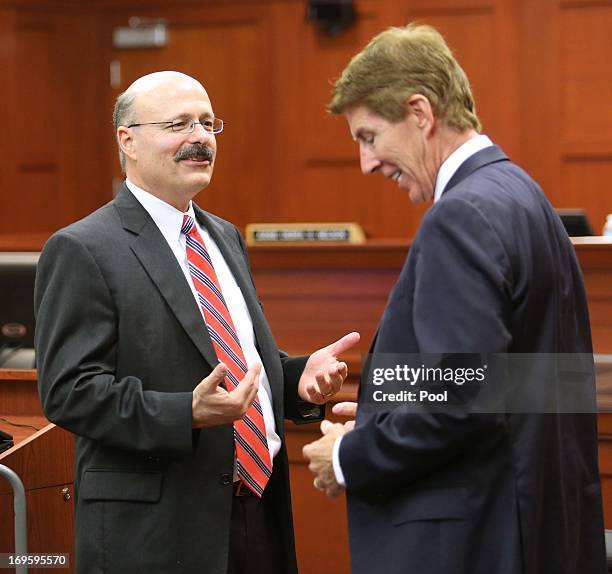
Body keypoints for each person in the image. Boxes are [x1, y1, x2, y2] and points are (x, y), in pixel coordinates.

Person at [303, 24, 606, 574]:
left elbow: (465, 396)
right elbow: (516, 376)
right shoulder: (523, 195)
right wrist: (384, 406)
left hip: (476, 541)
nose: (367, 163)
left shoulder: (460, 216)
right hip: (534, 529)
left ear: (420, 113)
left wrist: (348, 456)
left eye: (369, 137)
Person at [34, 70, 359, 574]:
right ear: (129, 141)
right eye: (179, 124)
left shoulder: (223, 236)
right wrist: (184, 411)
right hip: (159, 530)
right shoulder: (83, 248)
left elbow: (239, 359)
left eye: (208, 124)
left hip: (258, 509)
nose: (200, 138)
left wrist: (297, 380)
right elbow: (69, 392)